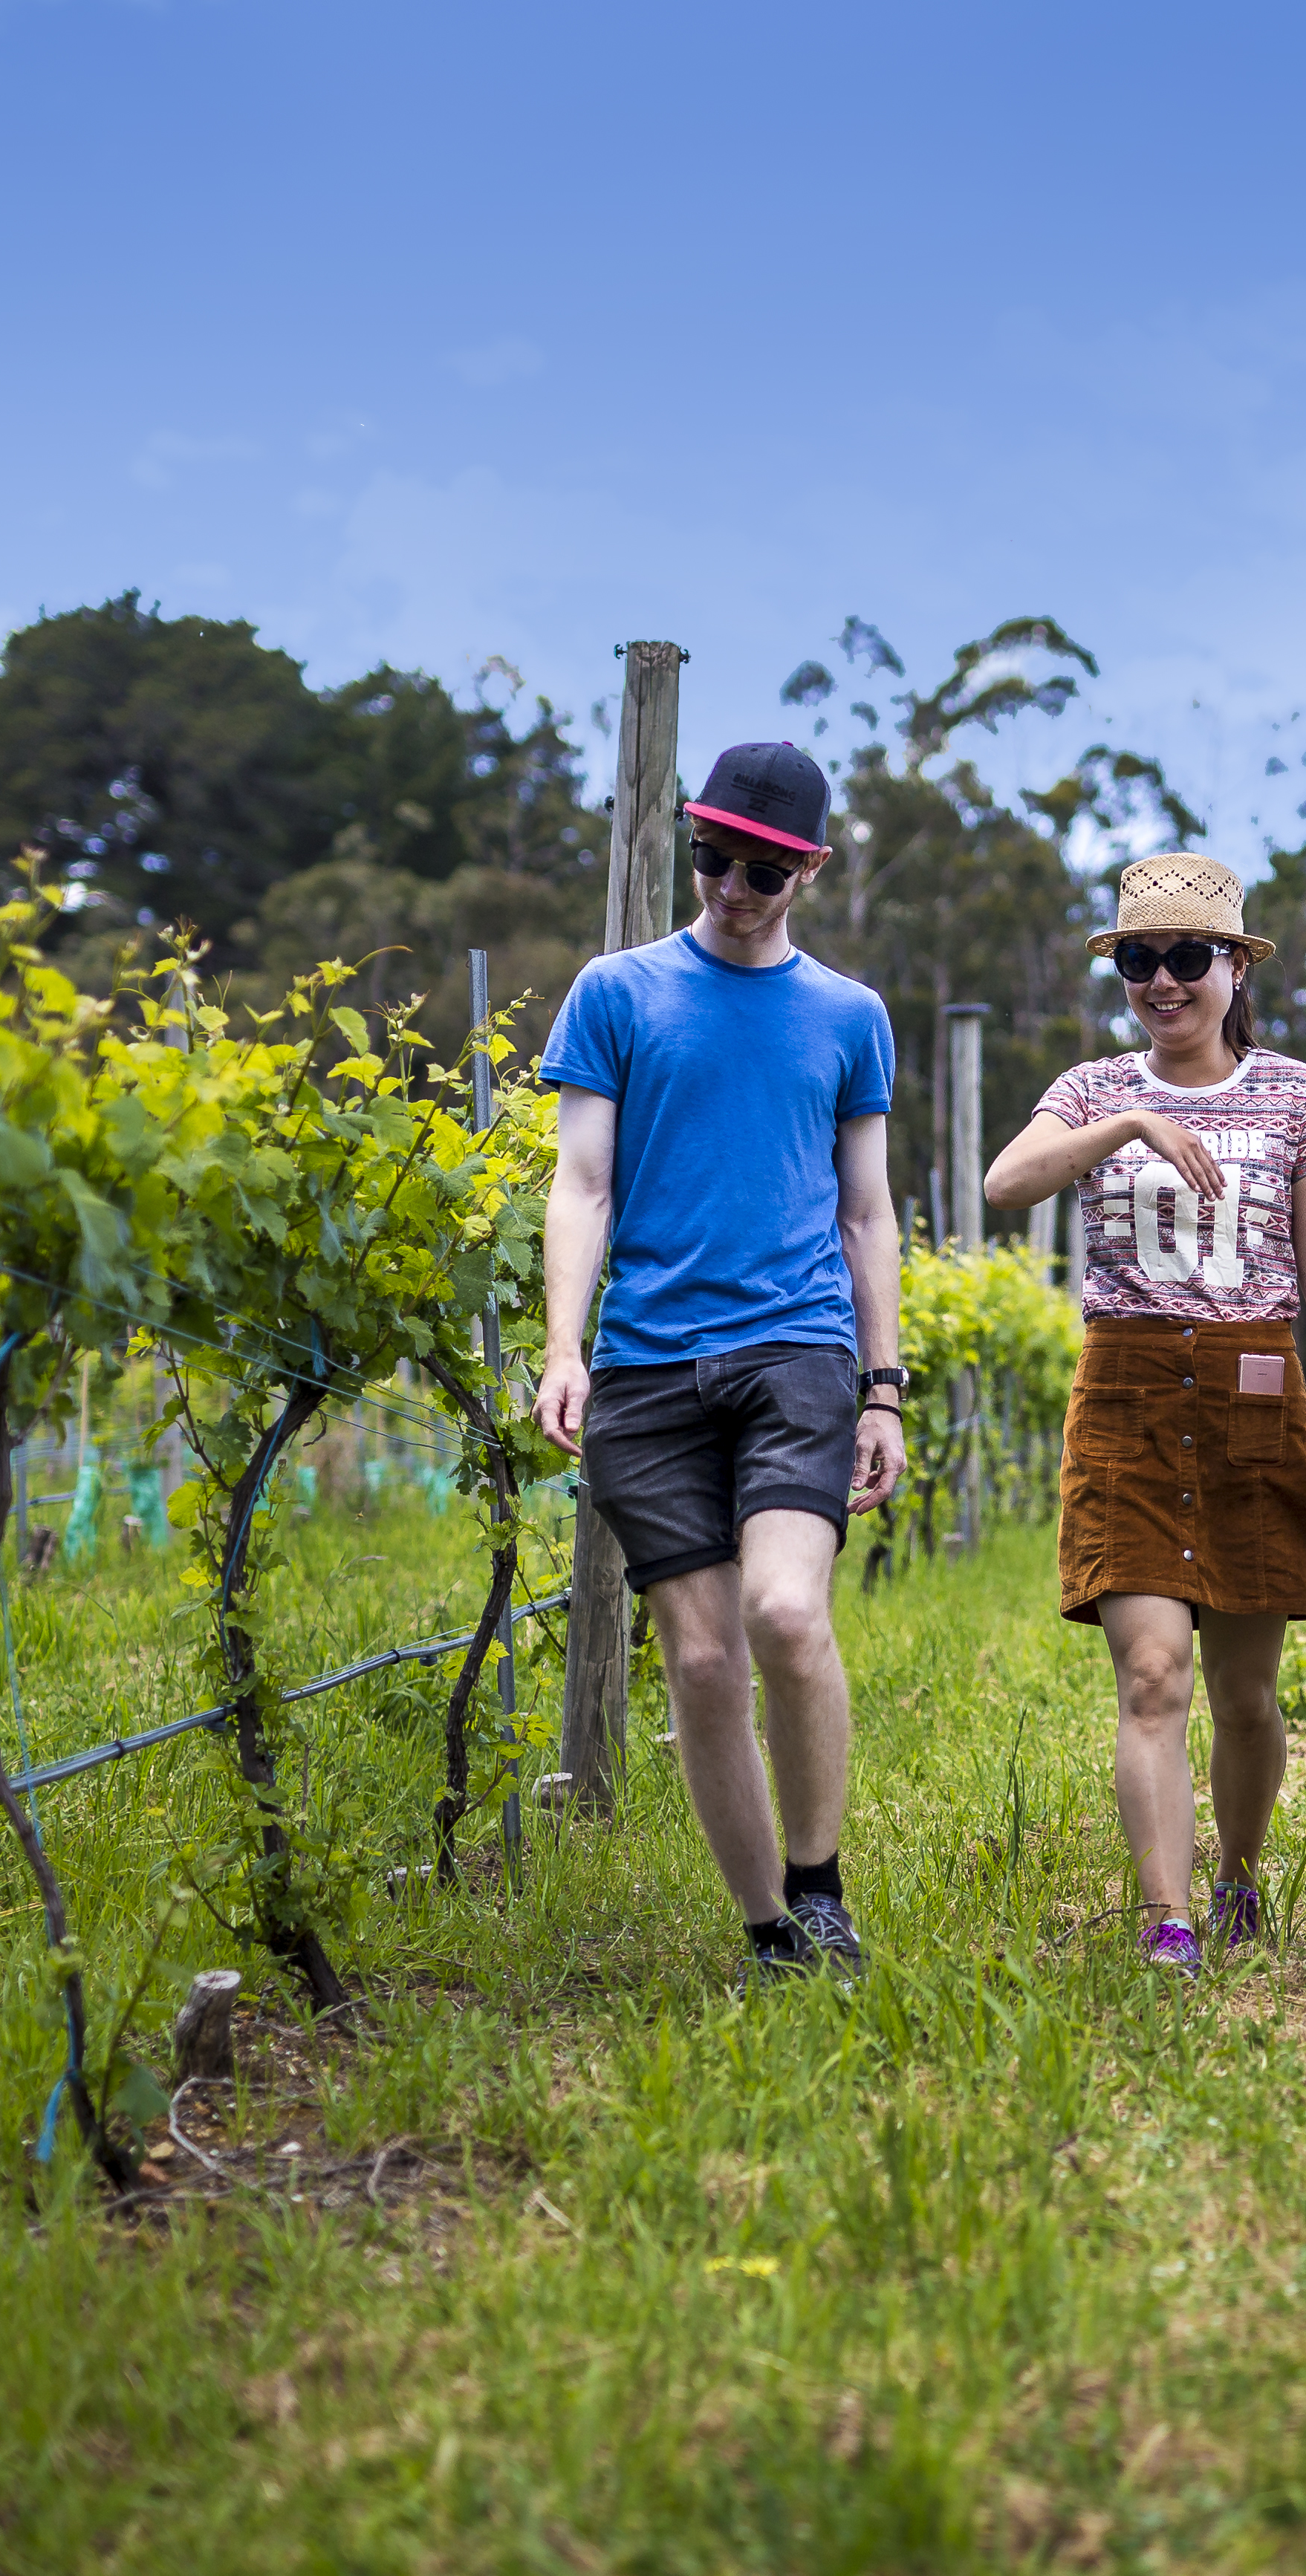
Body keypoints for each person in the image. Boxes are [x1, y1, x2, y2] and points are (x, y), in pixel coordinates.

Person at [533, 740, 909, 1983]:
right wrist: (563, 1346)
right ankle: (768, 1933)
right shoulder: (616, 992)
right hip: (646, 1369)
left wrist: (885, 1385)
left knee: (785, 1613)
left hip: (797, 1348)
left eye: (759, 869)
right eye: (710, 858)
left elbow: (867, 1213)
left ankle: (821, 1882)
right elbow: (581, 1184)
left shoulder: (850, 1016)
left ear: (806, 870)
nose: (729, 888)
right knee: (698, 1659)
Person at [983, 853, 1306, 1972]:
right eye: (1140, 961)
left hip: (1256, 1392)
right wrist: (1127, 1131)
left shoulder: (1294, 1092)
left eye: (1186, 959)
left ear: (1233, 967)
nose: (1163, 983)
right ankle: (1168, 1918)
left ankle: (1240, 1879)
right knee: (1151, 1674)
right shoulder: (1094, 1089)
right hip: (1131, 1394)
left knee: (1247, 1694)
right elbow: (1007, 1183)